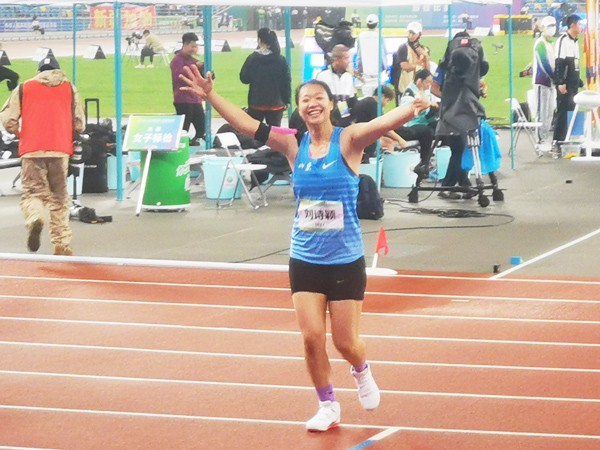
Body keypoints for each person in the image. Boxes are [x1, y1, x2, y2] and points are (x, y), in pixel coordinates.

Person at [178, 66, 429, 432]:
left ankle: (361, 370)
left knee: (346, 343)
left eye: (318, 98)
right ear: (298, 108)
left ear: (330, 104)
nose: (312, 104)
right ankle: (327, 404)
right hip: (305, 258)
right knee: (311, 338)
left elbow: (380, 124)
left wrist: (412, 108)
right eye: (305, 99)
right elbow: (247, 125)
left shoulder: (349, 140)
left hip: (344, 260)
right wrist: (210, 95)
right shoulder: (292, 143)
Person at [0, 57, 85, 255]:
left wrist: (20, 134)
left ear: (39, 71)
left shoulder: (24, 88)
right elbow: (79, 122)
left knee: (33, 193)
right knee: (59, 198)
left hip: (32, 150)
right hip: (60, 149)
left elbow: (8, 119)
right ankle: (61, 243)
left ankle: (34, 217)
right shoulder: (70, 88)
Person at [435, 31, 488, 199]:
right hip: (451, 112)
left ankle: (462, 184)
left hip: (465, 111)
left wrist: (480, 90)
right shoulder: (446, 67)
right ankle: (450, 186)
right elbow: (434, 87)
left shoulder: (470, 65)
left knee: (463, 149)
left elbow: (479, 81)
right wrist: (450, 98)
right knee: (459, 149)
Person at [239, 28, 291, 127]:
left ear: (259, 40)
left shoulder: (252, 58)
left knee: (254, 132)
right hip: (276, 104)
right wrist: (287, 100)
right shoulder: (281, 60)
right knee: (275, 133)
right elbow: (286, 82)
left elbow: (244, 78)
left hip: (256, 103)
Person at [398, 68, 440, 175]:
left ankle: (441, 159)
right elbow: (409, 112)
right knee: (427, 131)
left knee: (442, 126)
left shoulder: (426, 91)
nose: (429, 85)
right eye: (427, 82)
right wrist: (428, 106)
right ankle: (424, 162)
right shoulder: (409, 93)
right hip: (411, 125)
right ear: (420, 81)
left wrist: (434, 110)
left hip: (423, 121)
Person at [352, 84, 407, 162]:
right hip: (365, 140)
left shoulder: (365, 101)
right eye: (387, 100)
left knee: (386, 141)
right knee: (388, 143)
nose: (387, 104)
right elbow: (383, 126)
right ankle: (387, 165)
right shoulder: (375, 106)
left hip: (357, 134)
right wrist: (400, 139)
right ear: (383, 96)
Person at [552, 14, 583, 149]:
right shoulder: (563, 40)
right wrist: (560, 82)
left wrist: (579, 81)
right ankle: (557, 141)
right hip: (565, 84)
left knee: (572, 111)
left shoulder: (575, 42)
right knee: (563, 112)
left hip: (573, 84)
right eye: (579, 24)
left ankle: (568, 140)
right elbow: (559, 62)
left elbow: (574, 65)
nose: (581, 27)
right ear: (572, 25)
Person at [170, 32, 206, 146]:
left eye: (196, 46)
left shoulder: (193, 60)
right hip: (183, 99)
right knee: (183, 128)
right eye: (192, 46)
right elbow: (180, 75)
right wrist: (195, 68)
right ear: (185, 44)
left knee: (201, 127)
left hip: (195, 98)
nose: (194, 49)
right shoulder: (177, 60)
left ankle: (196, 141)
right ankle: (179, 145)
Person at [315, 44, 358, 127]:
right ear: (336, 60)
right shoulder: (323, 76)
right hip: (327, 119)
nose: (349, 61)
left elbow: (352, 100)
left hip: (344, 117)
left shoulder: (348, 76)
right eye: (346, 58)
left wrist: (353, 119)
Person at [532, 16, 557, 154]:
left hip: (551, 83)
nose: (552, 28)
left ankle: (546, 137)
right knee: (542, 112)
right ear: (543, 28)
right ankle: (540, 140)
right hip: (542, 82)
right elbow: (544, 64)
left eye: (554, 25)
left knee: (549, 112)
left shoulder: (551, 43)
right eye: (549, 26)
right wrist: (555, 77)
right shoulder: (540, 44)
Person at [394, 22, 429, 102]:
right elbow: (404, 66)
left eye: (413, 33)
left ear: (419, 34)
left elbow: (427, 71)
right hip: (404, 88)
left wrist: (426, 56)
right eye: (409, 32)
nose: (410, 35)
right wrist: (420, 66)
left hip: (419, 89)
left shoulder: (424, 49)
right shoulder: (403, 47)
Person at [355, 14, 388, 97]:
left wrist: (358, 71)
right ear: (377, 24)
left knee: (367, 99)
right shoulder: (380, 36)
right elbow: (383, 55)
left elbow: (359, 55)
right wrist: (386, 69)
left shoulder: (361, 36)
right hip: (377, 75)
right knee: (378, 99)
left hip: (365, 75)